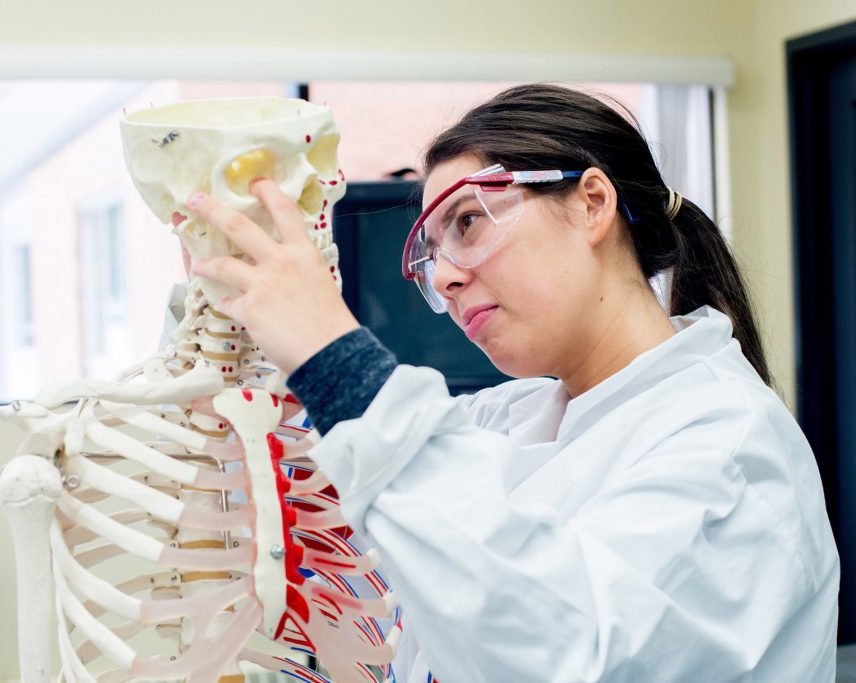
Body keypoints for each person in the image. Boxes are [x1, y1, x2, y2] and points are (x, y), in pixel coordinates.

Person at [187, 84, 840, 682]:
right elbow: (331, 496)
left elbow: (558, 650)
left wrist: (339, 359)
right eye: (431, 250)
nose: (442, 276)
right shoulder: (516, 416)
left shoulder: (729, 450)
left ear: (591, 203)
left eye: (468, 221)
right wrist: (220, 303)